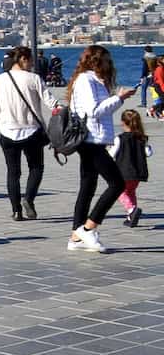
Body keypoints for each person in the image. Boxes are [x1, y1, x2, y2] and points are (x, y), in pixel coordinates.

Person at [66, 45, 135, 253]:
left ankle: (76, 237)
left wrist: (115, 97)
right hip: (90, 140)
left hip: (95, 139)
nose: (109, 64)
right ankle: (89, 227)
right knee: (117, 183)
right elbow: (93, 111)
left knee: (87, 187)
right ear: (95, 61)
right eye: (106, 60)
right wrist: (119, 98)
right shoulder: (86, 80)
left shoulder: (96, 81)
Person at [0, 46, 55, 221]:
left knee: (13, 172)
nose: (32, 63)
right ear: (23, 59)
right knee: (36, 168)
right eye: (31, 60)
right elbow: (51, 102)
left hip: (8, 131)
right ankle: (29, 199)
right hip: (32, 131)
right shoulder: (34, 79)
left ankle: (16, 211)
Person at [114, 108, 151, 228]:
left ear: (122, 123)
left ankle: (131, 210)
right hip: (138, 172)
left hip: (123, 172)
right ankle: (131, 217)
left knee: (119, 192)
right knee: (131, 192)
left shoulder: (119, 138)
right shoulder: (142, 138)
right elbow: (148, 152)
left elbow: (112, 153)